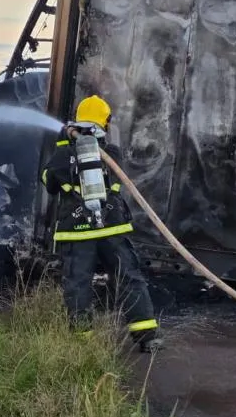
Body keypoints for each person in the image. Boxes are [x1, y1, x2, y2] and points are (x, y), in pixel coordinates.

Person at [41, 95, 161, 353]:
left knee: (78, 283)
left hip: (76, 232)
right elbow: (120, 183)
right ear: (104, 122)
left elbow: (49, 182)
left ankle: (83, 341)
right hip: (111, 227)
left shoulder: (64, 152)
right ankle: (147, 336)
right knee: (128, 276)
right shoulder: (111, 152)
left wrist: (64, 141)